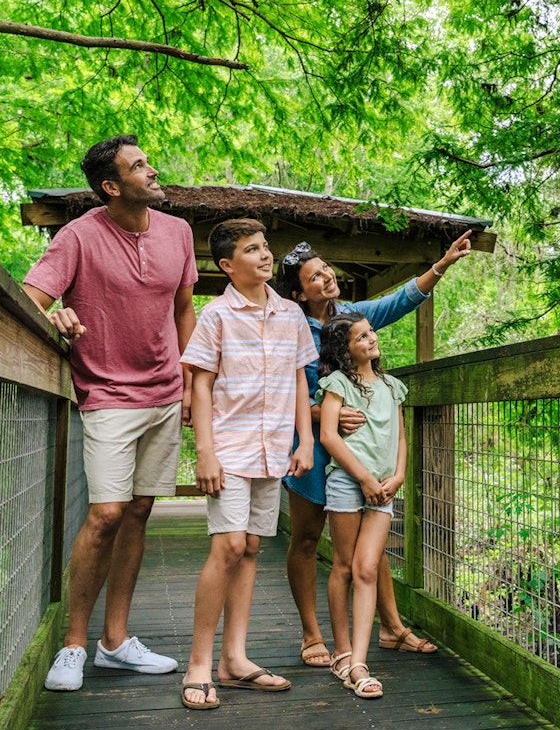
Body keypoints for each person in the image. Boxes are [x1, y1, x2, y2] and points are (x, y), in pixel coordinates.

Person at [23, 134, 197, 692]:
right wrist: (57, 317)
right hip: (106, 395)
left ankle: (115, 644)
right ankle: (74, 644)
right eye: (138, 166)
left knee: (140, 510)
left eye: (148, 160)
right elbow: (32, 298)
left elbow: (185, 309)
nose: (152, 170)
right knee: (105, 515)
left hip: (166, 393)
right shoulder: (78, 236)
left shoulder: (179, 232)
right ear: (111, 186)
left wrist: (190, 382)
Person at [276, 231, 472, 668]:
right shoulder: (289, 328)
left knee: (371, 544)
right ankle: (312, 635)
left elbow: (400, 301)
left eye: (326, 268)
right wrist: (320, 414)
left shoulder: (352, 317)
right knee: (307, 538)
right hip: (314, 448)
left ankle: (392, 626)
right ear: (298, 292)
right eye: (314, 277)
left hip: (362, 451)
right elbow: (276, 391)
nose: (327, 277)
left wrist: (442, 264)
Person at [178, 218, 318, 710]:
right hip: (230, 448)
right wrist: (206, 452)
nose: (264, 256)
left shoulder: (291, 316)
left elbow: (301, 381)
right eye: (252, 250)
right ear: (227, 265)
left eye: (265, 248)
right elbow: (199, 382)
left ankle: (234, 659)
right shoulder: (216, 315)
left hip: (275, 447)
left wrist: (305, 442)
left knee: (254, 546)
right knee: (230, 546)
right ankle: (199, 663)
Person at [317, 313, 408, 698]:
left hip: (384, 490)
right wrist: (364, 478)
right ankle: (342, 651)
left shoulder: (391, 386)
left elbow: (400, 437)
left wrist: (398, 476)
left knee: (367, 568)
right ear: (345, 350)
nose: (371, 339)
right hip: (348, 482)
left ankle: (359, 662)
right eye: (360, 337)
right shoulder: (338, 384)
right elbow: (329, 437)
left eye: (371, 332)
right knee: (344, 566)